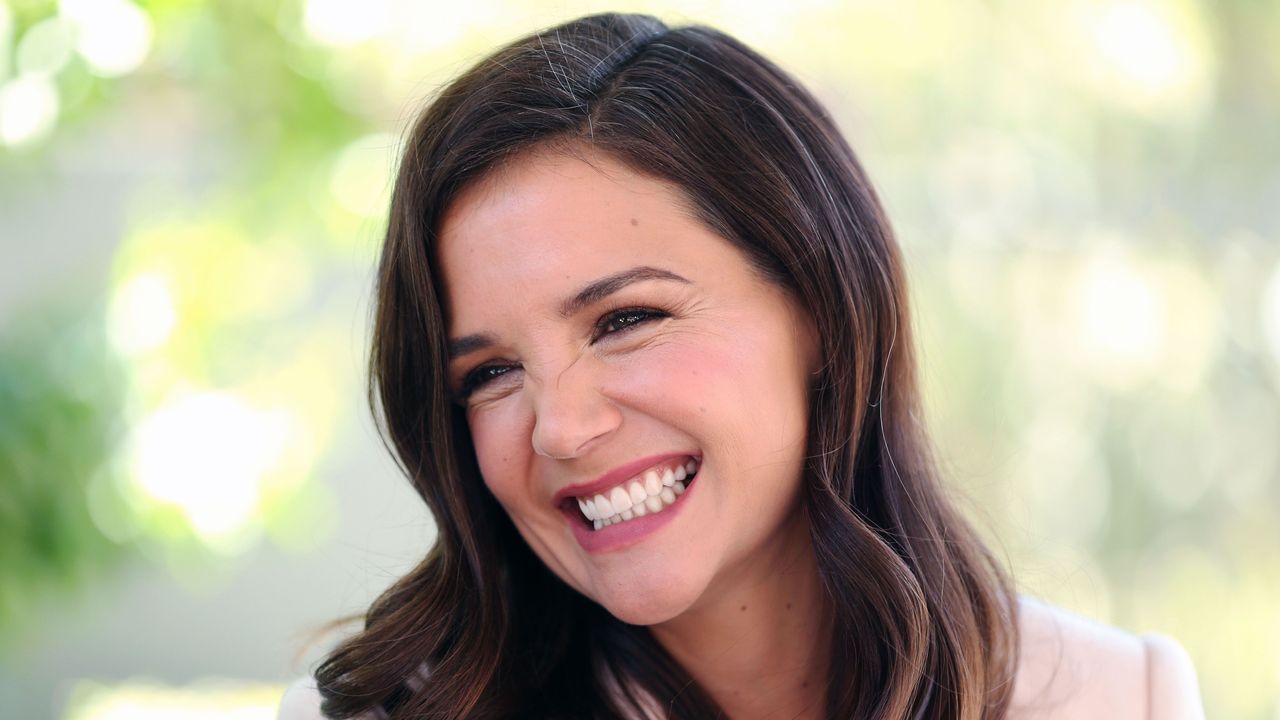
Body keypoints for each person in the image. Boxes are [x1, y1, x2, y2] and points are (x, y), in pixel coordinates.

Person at [279, 12, 1203, 719]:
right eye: (489, 374)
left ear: (822, 312)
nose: (559, 427)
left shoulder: (1123, 698)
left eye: (624, 319)